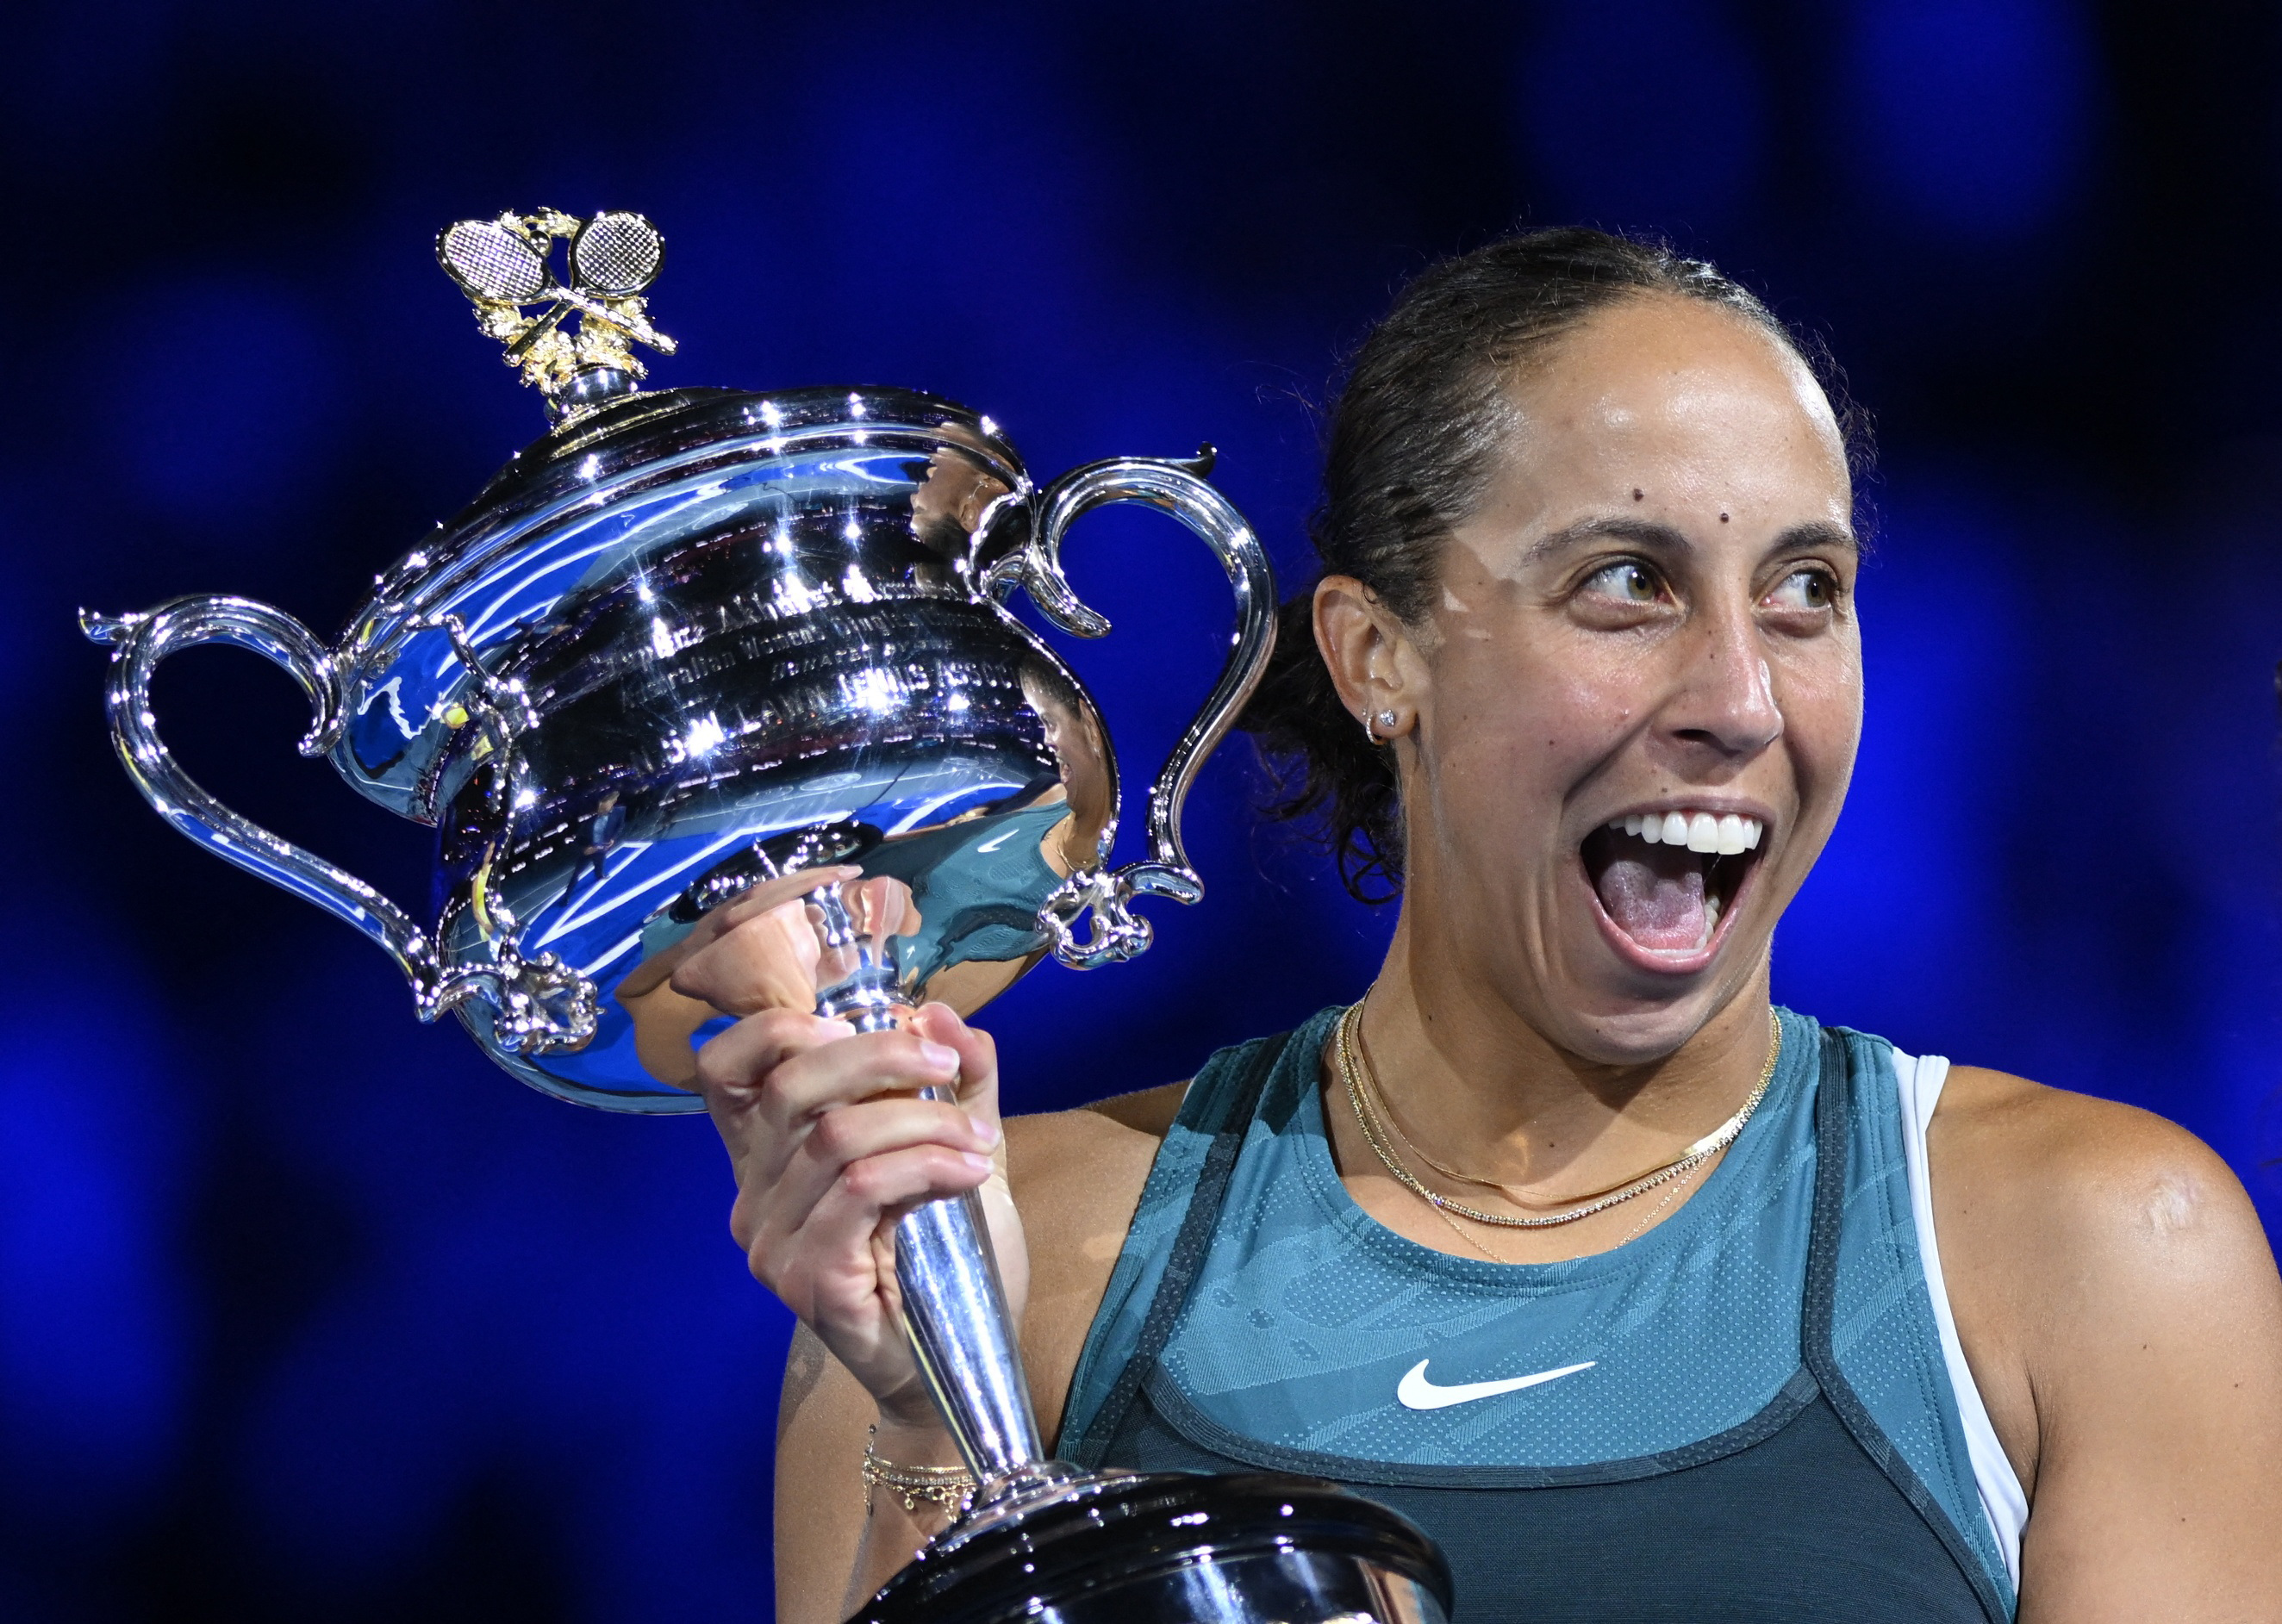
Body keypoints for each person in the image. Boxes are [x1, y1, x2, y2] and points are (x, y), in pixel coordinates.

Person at [669, 230, 2282, 1622]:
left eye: (1807, 590)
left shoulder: (2097, 1252)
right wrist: (931, 1423)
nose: (1739, 696)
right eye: (1627, 584)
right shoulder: (1009, 1256)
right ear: (1381, 658)